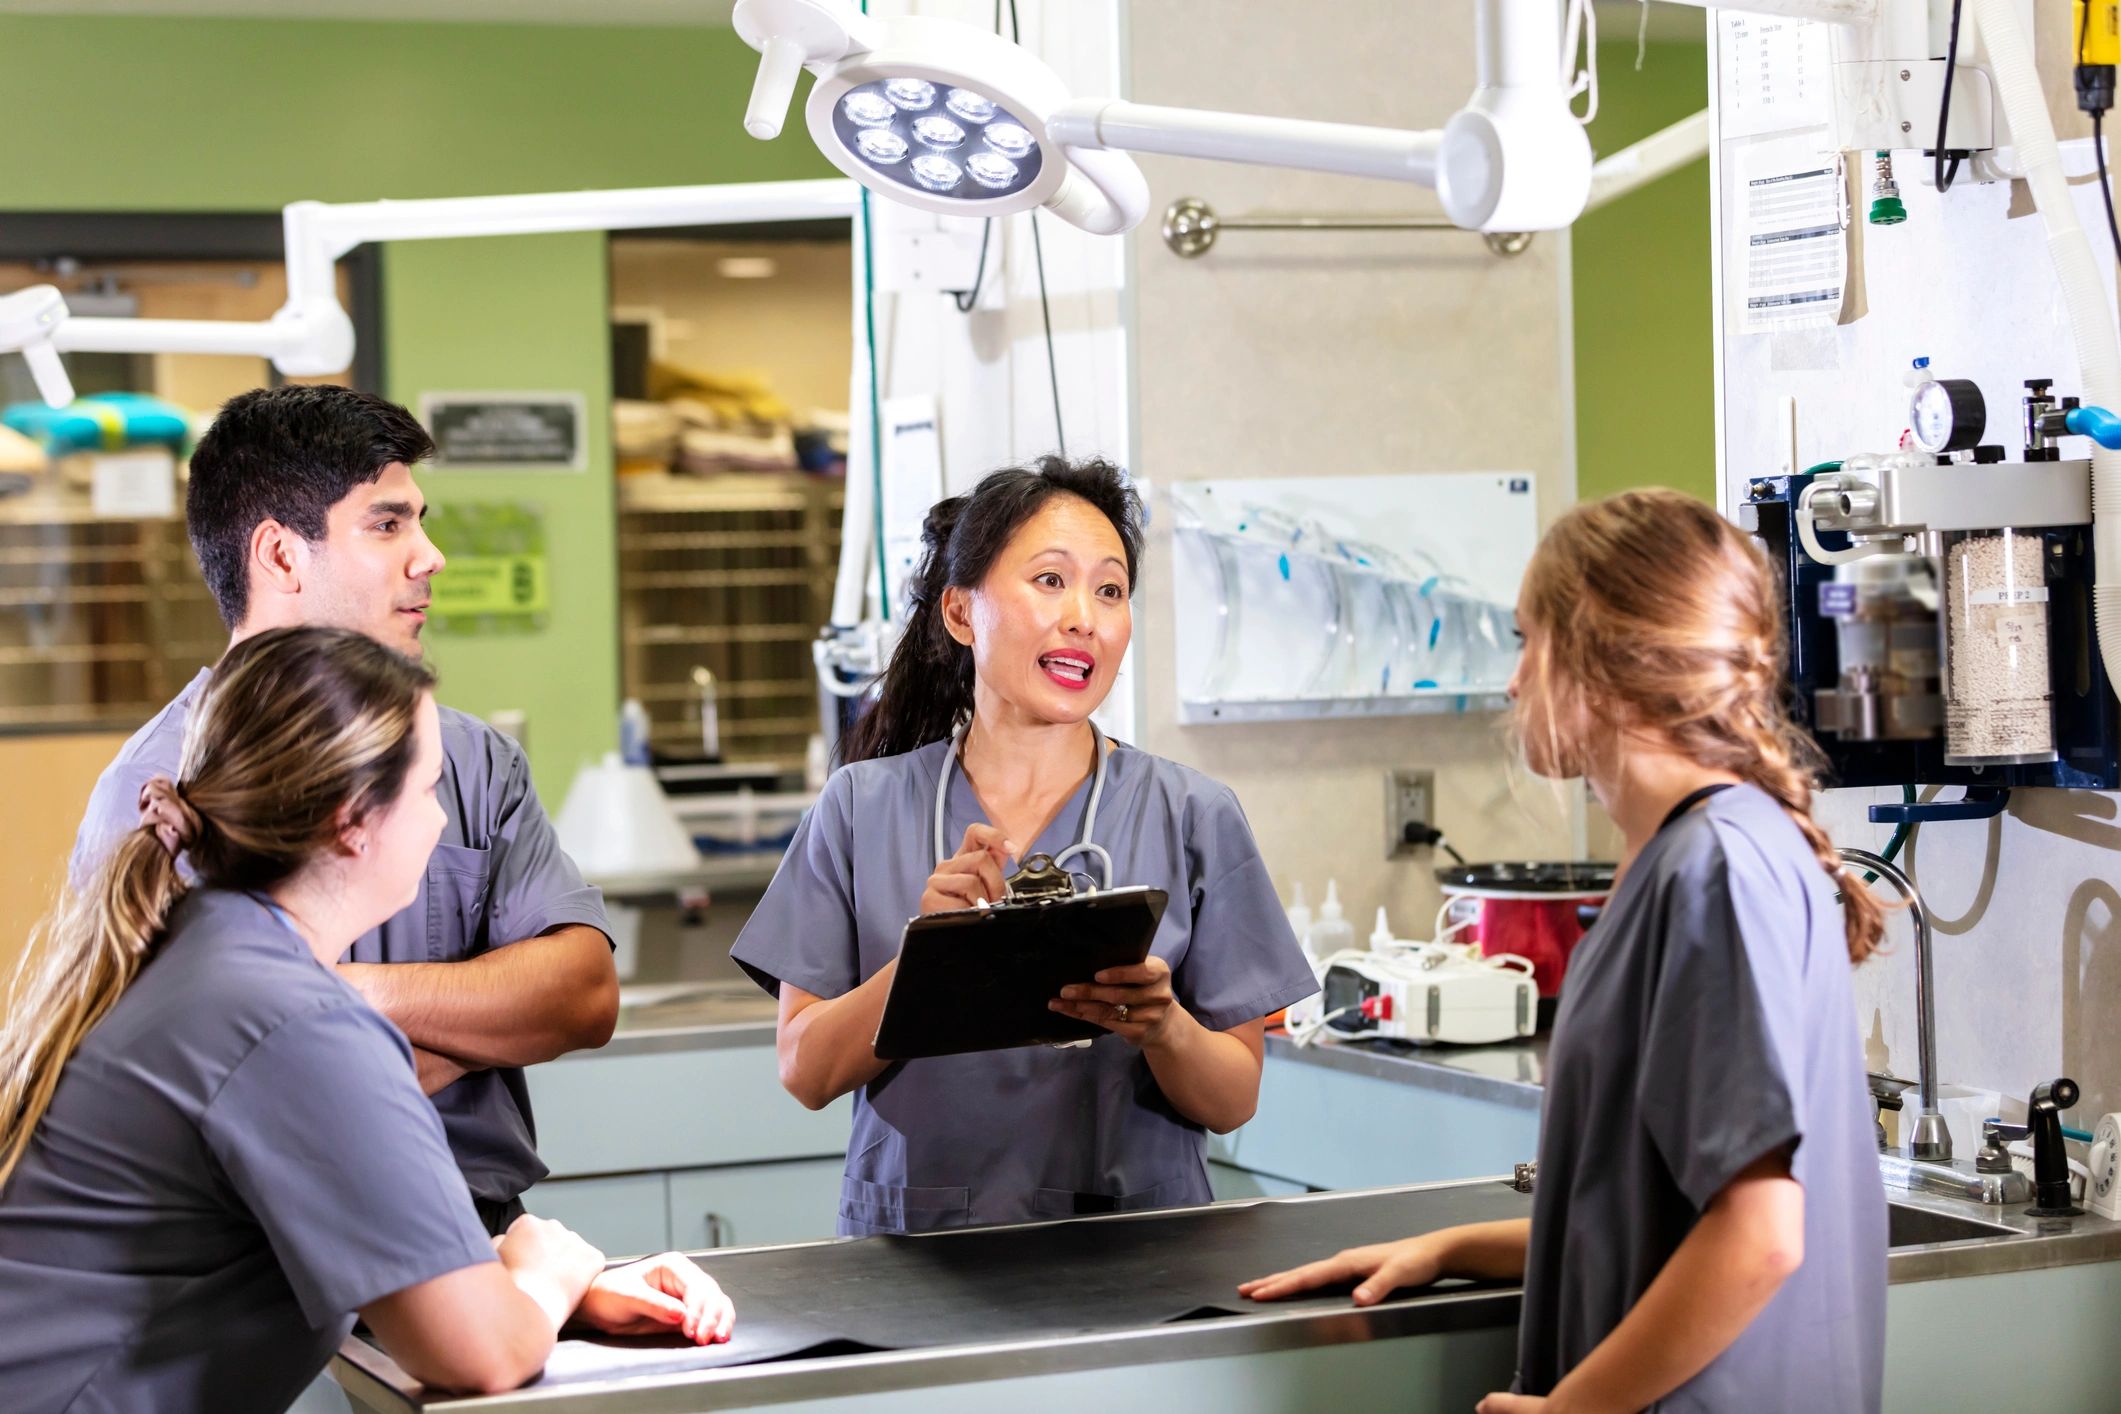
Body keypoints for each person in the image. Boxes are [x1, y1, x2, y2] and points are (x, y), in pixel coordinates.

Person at [1240, 489, 1888, 1413]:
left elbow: (1758, 1233)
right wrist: (1456, 1247)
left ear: (1600, 656)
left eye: (1524, 642)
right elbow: (1647, 1211)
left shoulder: (1712, 872)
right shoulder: (1699, 854)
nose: (1513, 684)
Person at [0, 627, 732, 1414]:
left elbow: (359, 1248)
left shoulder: (202, 950)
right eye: (427, 793)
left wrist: (532, 1288)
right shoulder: (292, 1018)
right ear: (353, 821)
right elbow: (482, 1359)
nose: (442, 825)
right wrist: (547, 1269)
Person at [68, 384, 616, 1233]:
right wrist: (455, 1021)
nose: (430, 556)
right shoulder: (158, 788)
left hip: (474, 1226)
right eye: (387, 524)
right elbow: (189, 1084)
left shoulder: (469, 760)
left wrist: (346, 998)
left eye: (419, 521)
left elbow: (581, 996)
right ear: (282, 557)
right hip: (249, 1255)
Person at [731, 456, 1317, 1236]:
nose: (1084, 616)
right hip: (921, 1261)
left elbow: (1232, 1097)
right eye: (1050, 580)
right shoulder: (859, 809)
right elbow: (805, 1071)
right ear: (961, 613)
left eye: (1109, 590)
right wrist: (927, 960)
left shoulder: (1192, 814)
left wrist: (1164, 1025)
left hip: (1137, 1255)